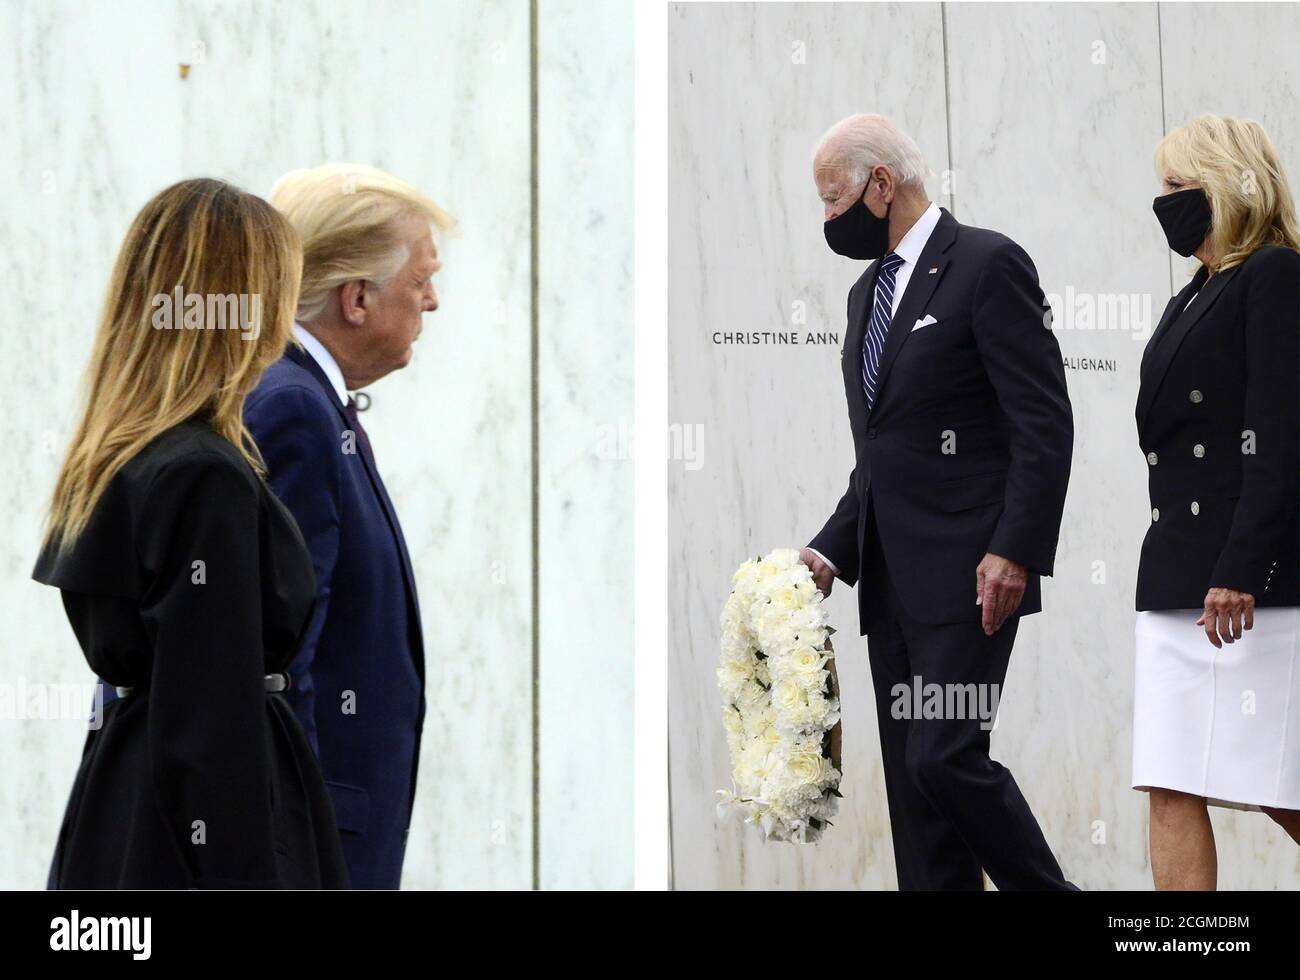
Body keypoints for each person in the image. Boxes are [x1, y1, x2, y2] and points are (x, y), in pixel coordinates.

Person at [34, 178, 349, 888]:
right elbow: (212, 724)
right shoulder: (204, 476)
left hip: (124, 810)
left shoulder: (121, 458)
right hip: (195, 839)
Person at [801, 113, 1076, 890]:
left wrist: (1017, 547)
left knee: (944, 756)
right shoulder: (865, 297)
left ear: (881, 184)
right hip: (890, 586)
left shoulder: (987, 265)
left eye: (833, 199)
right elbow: (881, 461)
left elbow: (1042, 422)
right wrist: (828, 550)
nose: (828, 220)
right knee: (917, 798)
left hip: (973, 577)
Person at [244, 164, 453, 888]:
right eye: (421, 278)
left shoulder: (307, 399)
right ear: (357, 298)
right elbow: (275, 658)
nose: (433, 299)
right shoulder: (292, 409)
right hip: (311, 848)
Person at [1134, 114, 1300, 889]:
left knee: (1278, 785)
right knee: (1168, 781)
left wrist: (1242, 565)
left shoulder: (1274, 276)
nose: (1162, 201)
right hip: (1173, 575)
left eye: (1176, 186)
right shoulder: (1193, 295)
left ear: (1225, 185)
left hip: (1248, 584)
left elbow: (1277, 436)